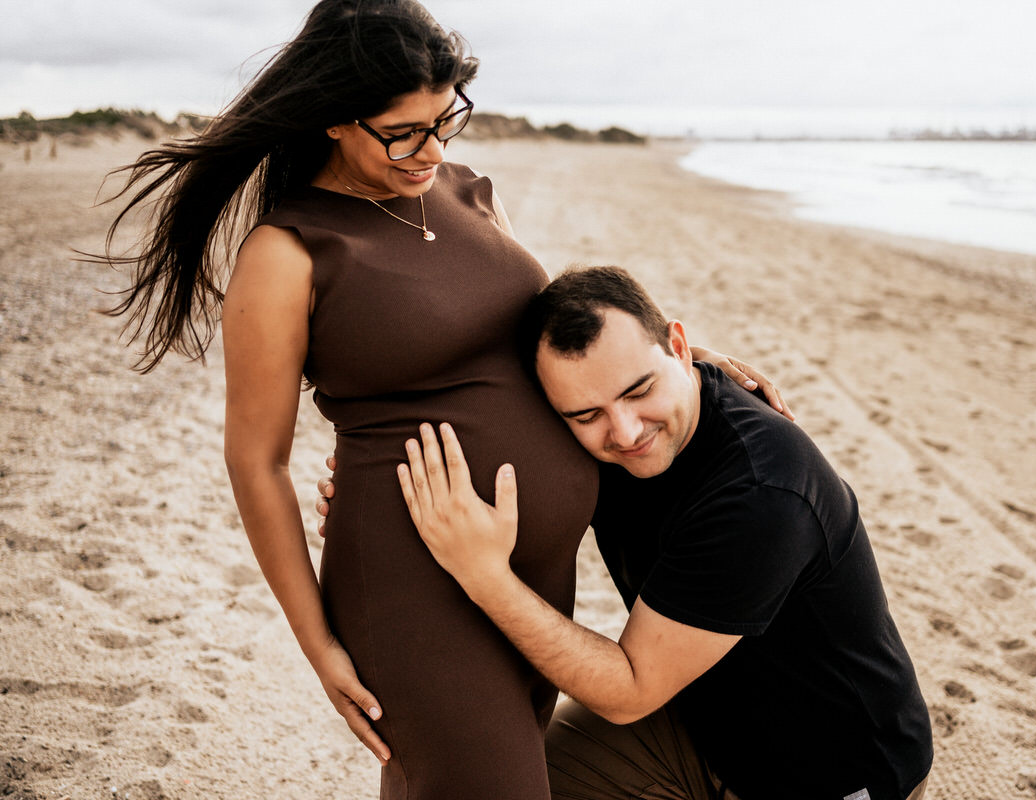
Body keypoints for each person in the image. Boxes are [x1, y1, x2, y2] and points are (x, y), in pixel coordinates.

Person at [96, 2, 787, 797]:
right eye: (402, 131)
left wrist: (676, 359)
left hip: (528, 571)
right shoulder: (287, 254)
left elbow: (541, 331)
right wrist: (317, 642)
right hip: (410, 579)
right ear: (332, 120)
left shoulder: (466, 191)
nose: (431, 148)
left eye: (444, 119)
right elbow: (256, 462)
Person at [385, 266, 934, 799]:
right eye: (585, 414)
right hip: (702, 722)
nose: (624, 433)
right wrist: (370, 487)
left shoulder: (760, 494)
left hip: (834, 774)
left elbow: (628, 691)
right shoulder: (599, 415)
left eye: (639, 389)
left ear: (677, 345)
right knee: (496, 778)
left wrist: (484, 576)